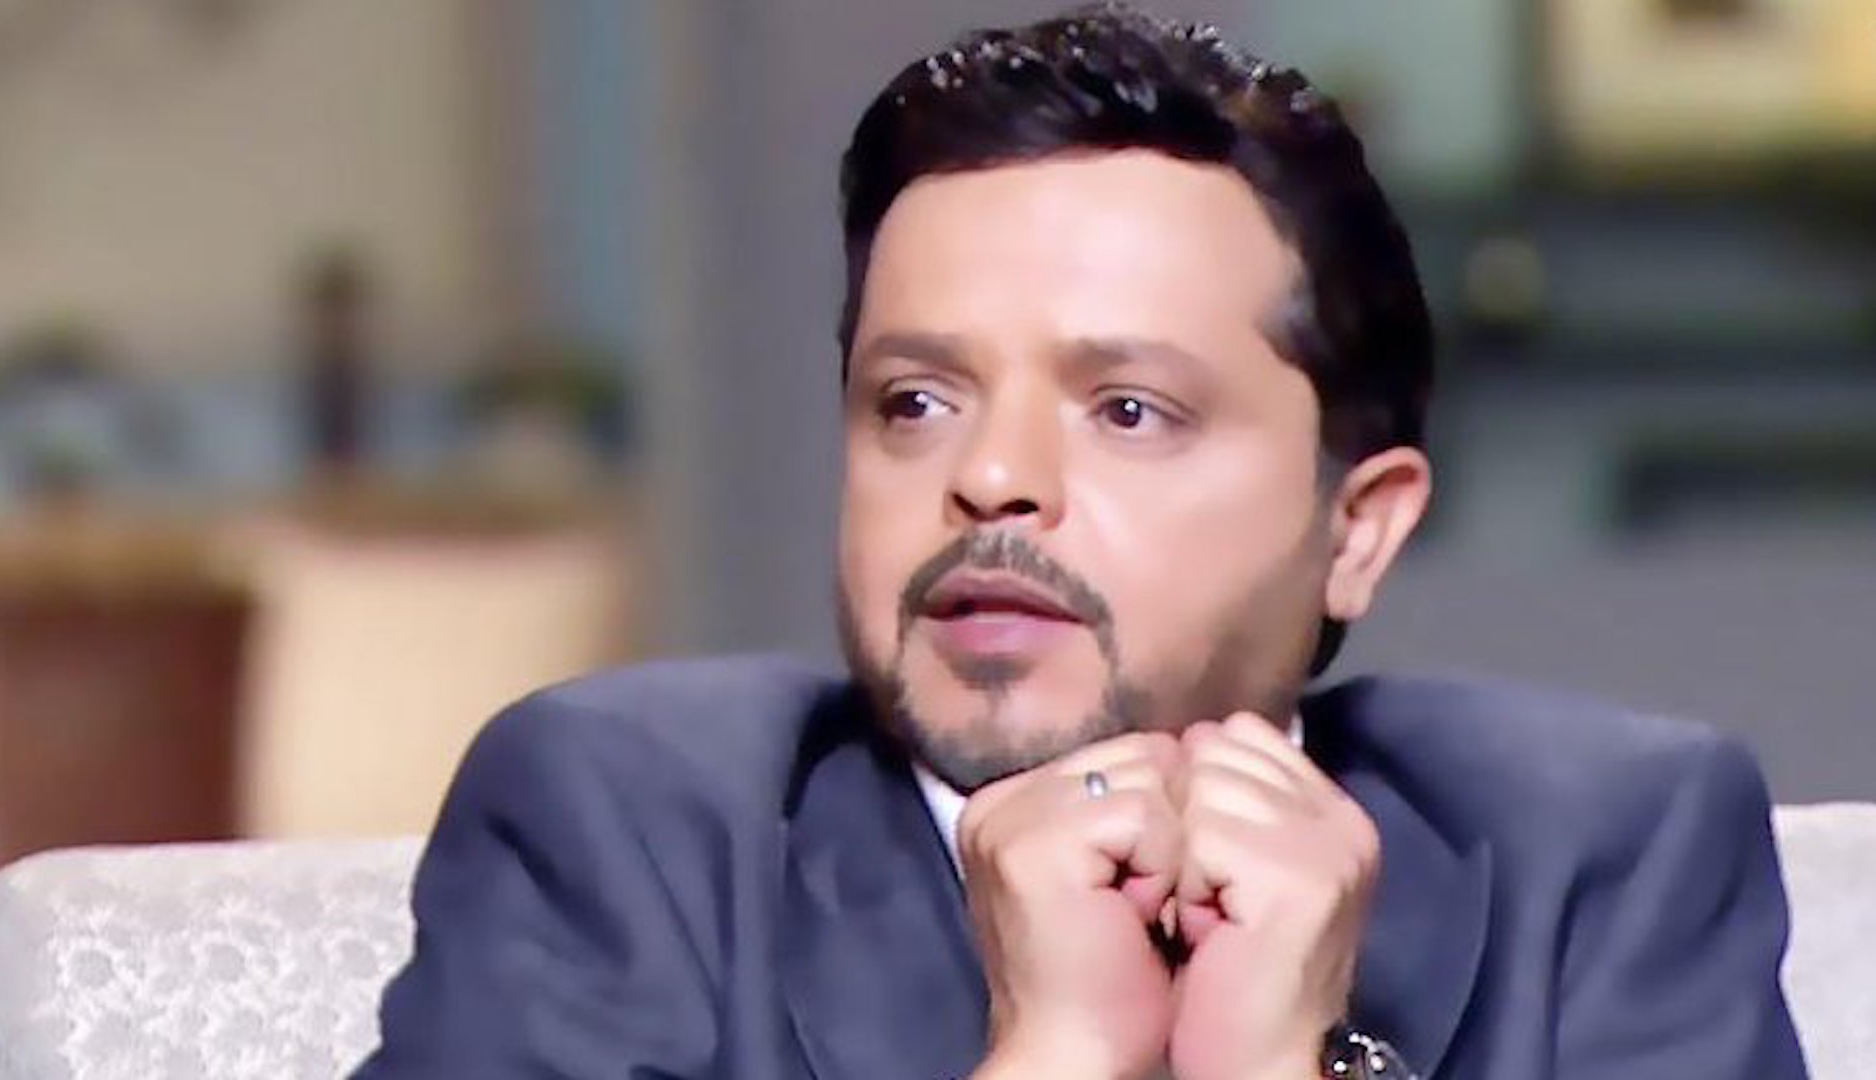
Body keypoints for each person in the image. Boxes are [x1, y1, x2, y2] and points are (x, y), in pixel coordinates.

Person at [354, 5, 1807, 1078]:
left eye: (1127, 411)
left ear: (1358, 529)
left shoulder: (1600, 854)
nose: (990, 478)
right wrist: (1054, 1055)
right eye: (915, 401)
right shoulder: (631, 833)